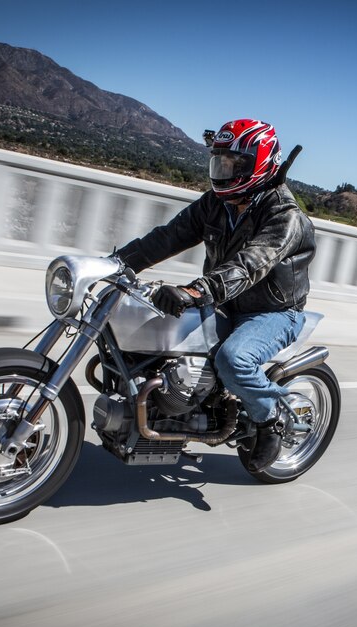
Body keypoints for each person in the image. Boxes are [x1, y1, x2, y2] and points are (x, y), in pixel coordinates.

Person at [113, 119, 316, 473]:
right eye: (219, 162)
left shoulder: (285, 215)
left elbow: (251, 263)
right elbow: (167, 236)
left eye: (233, 164)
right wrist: (117, 263)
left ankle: (268, 422)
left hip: (272, 312)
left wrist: (197, 290)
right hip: (224, 301)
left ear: (261, 163)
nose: (223, 171)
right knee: (151, 329)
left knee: (234, 359)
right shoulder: (216, 204)